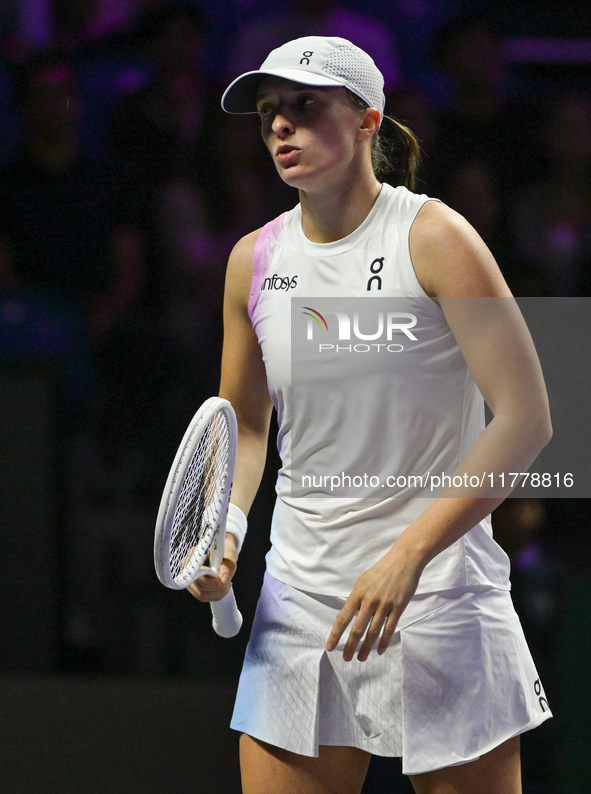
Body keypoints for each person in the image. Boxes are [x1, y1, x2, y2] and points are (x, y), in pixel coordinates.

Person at [187, 37, 553, 794]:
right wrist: (225, 528)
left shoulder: (435, 238)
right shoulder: (251, 261)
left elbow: (526, 416)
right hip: (300, 597)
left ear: (366, 120)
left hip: (439, 595)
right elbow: (246, 425)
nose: (280, 127)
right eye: (267, 114)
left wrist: (407, 555)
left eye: (303, 106)